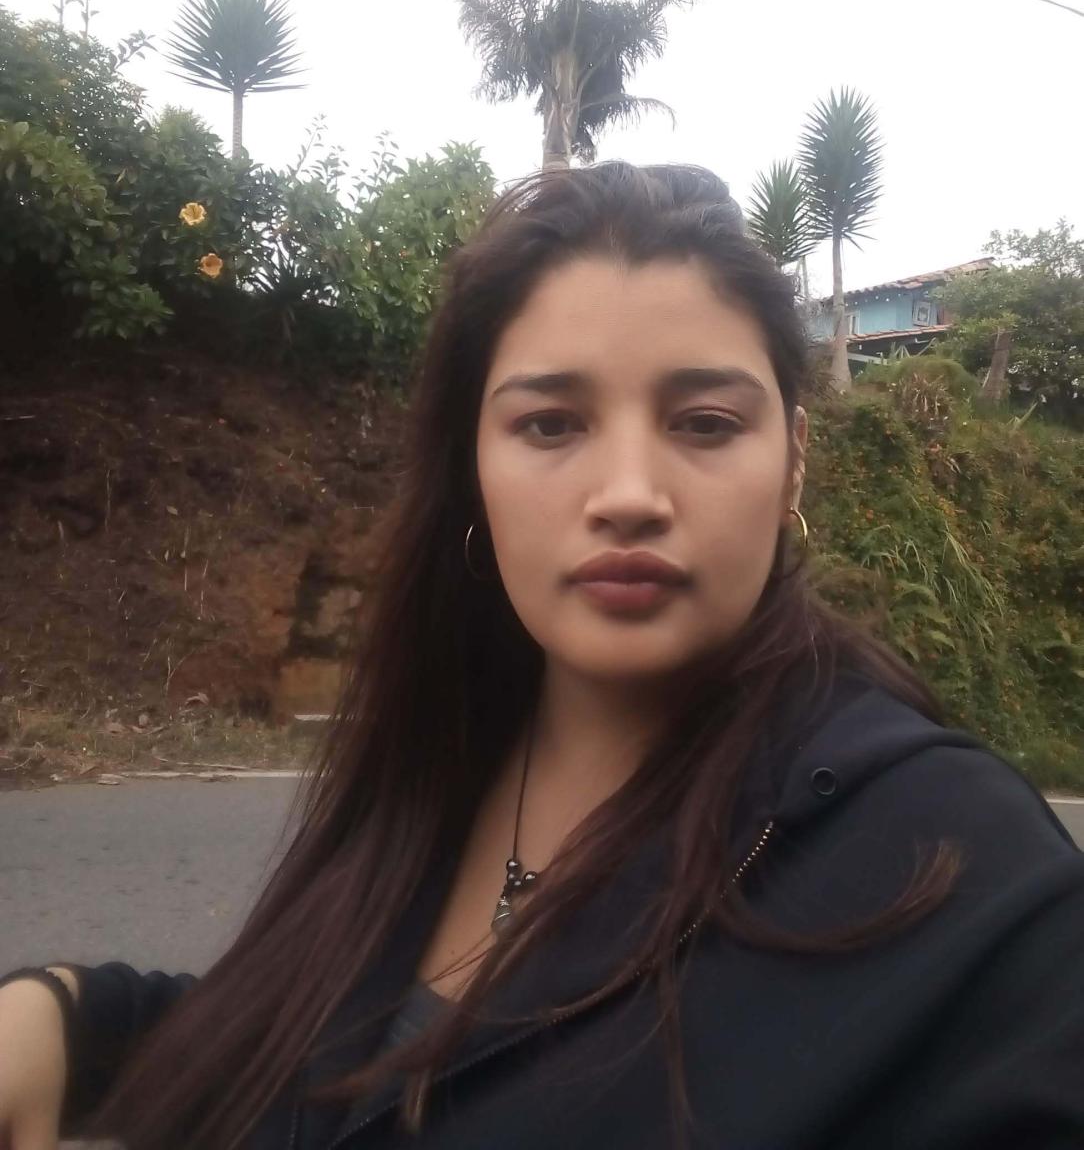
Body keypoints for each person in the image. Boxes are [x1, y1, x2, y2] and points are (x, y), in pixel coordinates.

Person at [1, 162, 1082, 1150]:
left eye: (705, 423)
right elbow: (331, 1058)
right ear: (472, 464)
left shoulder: (964, 879)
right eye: (551, 425)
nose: (628, 495)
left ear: (792, 459)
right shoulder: (442, 757)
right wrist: (73, 1016)